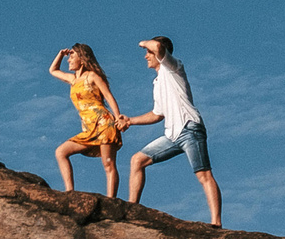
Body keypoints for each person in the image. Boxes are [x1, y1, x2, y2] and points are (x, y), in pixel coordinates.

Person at [122, 36, 222, 225]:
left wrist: (143, 42)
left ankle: (216, 222)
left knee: (204, 175)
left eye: (148, 53)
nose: (145, 56)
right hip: (172, 135)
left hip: (190, 128)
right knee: (137, 160)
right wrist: (130, 121)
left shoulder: (173, 67)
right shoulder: (157, 82)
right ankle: (131, 209)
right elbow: (157, 114)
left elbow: (158, 46)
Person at [48, 44, 126, 195]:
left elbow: (109, 97)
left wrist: (118, 118)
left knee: (108, 163)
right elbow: (53, 70)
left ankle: (111, 200)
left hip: (104, 123)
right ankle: (70, 192)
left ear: (82, 59)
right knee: (61, 152)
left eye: (72, 56)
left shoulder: (92, 76)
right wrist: (60, 54)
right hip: (89, 128)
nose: (69, 60)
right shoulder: (73, 79)